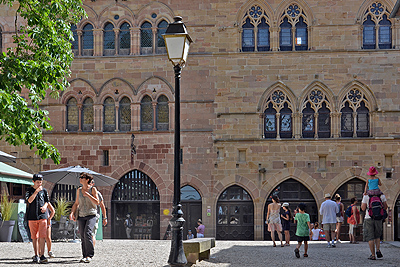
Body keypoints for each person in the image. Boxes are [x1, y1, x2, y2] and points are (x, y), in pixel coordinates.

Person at [70, 173, 100, 263]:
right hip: (81, 215)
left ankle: (89, 255)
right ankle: (84, 255)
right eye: (80, 177)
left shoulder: (93, 189)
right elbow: (76, 203)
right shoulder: (79, 190)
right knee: (82, 236)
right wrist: (72, 213)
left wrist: (89, 195)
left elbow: (97, 202)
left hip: (91, 215)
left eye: (82, 177)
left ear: (87, 180)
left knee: (87, 233)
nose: (80, 179)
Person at [25, 174, 50, 264]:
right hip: (32, 216)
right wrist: (36, 192)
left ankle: (42, 255)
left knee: (42, 236)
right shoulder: (29, 190)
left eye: (40, 182)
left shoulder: (44, 191)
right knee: (34, 237)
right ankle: (36, 255)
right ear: (33, 182)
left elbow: (47, 201)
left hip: (42, 216)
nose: (39, 184)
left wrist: (45, 206)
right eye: (37, 182)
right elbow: (29, 201)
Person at [361, 190, 388, 260]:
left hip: (368, 217)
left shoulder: (366, 196)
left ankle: (373, 255)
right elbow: (385, 207)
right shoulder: (381, 195)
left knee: (370, 237)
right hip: (378, 218)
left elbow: (363, 208)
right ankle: (378, 250)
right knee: (377, 236)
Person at [90, 180, 107, 247]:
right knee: (86, 235)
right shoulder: (81, 192)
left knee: (92, 234)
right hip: (84, 215)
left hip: (94, 216)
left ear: (93, 184)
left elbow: (102, 206)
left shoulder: (97, 193)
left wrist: (105, 217)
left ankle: (91, 251)